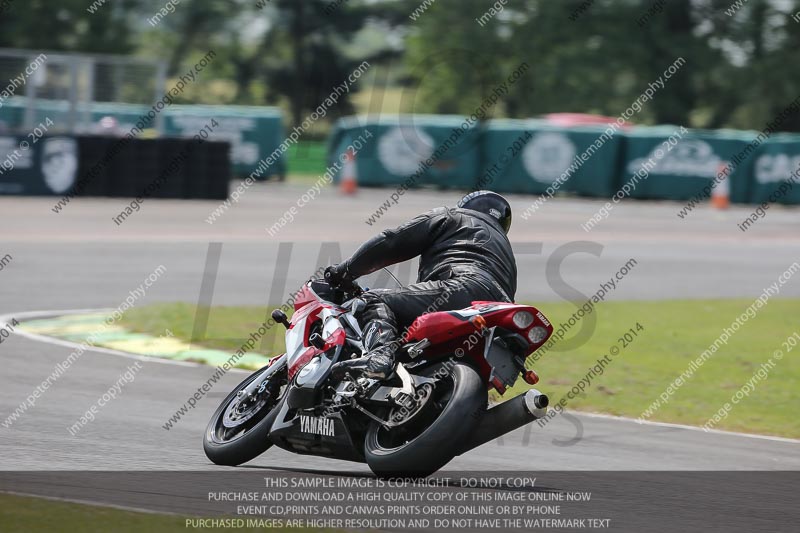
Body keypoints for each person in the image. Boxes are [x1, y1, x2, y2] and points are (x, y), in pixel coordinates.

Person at [325, 190, 517, 380]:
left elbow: (392, 241)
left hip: (461, 288)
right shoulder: (508, 257)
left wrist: (345, 271)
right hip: (501, 314)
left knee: (373, 300)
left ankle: (379, 356)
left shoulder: (455, 217)